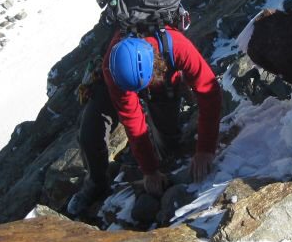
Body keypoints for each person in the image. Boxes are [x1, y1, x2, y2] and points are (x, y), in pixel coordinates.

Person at [68, 26, 221, 218]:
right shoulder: (112, 68)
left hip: (163, 78)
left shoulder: (178, 47)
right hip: (120, 81)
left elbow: (210, 93)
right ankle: (96, 184)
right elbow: (132, 120)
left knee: (169, 143)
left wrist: (205, 149)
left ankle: (167, 161)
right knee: (89, 135)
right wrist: (149, 171)